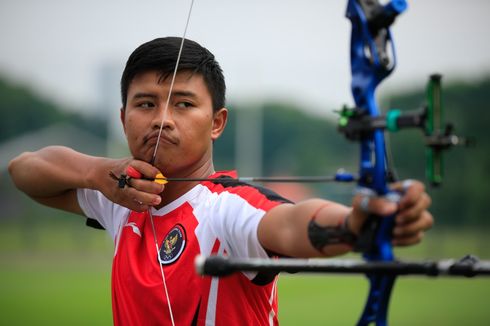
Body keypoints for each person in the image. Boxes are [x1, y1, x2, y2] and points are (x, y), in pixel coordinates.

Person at [8, 37, 433, 325]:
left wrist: (360, 224)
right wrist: (95, 174)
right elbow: (24, 169)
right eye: (145, 103)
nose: (162, 119)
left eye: (184, 103)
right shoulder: (120, 198)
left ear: (216, 123)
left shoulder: (227, 207)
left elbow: (289, 223)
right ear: (123, 118)